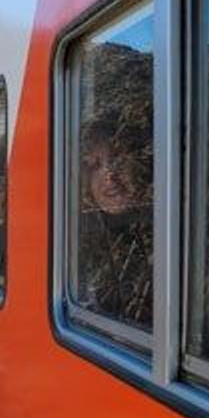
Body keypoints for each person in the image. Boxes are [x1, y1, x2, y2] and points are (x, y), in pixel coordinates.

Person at [75, 119, 152, 326]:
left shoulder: (168, 227)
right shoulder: (76, 237)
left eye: (118, 160)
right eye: (94, 166)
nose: (110, 176)